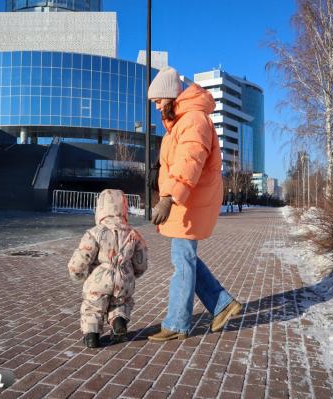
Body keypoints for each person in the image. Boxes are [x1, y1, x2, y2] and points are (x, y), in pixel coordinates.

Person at [147, 67, 242, 341]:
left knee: (182, 261)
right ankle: (222, 303)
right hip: (185, 201)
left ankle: (177, 323)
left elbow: (189, 163)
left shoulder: (193, 121)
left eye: (158, 102)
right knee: (186, 258)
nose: (156, 108)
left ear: (171, 97)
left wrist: (169, 198)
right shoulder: (180, 123)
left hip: (188, 202)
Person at [67, 189, 148, 348]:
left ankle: (92, 336)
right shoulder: (133, 234)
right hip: (124, 278)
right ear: (124, 208)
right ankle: (119, 322)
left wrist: (77, 274)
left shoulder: (95, 233)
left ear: (100, 209)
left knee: (93, 306)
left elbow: (82, 257)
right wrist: (135, 273)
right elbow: (141, 260)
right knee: (120, 303)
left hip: (100, 279)